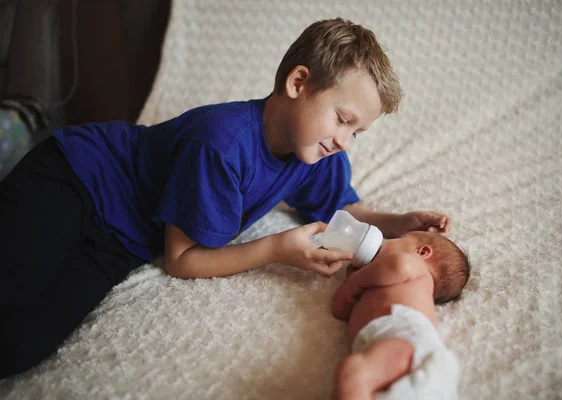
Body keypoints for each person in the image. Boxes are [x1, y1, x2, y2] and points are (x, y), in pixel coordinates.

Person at [0, 18, 452, 378]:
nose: (345, 141)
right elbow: (182, 259)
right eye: (342, 119)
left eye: (357, 131)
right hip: (79, 177)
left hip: (122, 239)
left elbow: (343, 209)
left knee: (18, 348)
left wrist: (398, 222)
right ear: (298, 83)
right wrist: (276, 249)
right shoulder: (221, 145)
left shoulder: (315, 152)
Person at [332, 231, 470, 400]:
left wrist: (356, 281)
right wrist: (352, 283)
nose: (384, 242)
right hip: (386, 347)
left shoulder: (415, 266)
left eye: (398, 239)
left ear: (422, 252)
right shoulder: (375, 285)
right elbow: (339, 310)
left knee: (353, 372)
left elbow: (400, 265)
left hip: (403, 337)